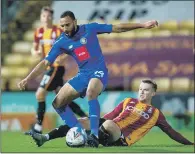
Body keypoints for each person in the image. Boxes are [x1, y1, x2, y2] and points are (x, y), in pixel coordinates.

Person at [18, 10, 158, 147]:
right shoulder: (62, 41)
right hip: (83, 75)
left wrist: (142, 25)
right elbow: (45, 63)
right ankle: (79, 131)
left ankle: (94, 135)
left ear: (75, 22)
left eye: (67, 25)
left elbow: (117, 28)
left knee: (91, 91)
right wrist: (27, 78)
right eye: (62, 26)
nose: (65, 29)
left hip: (99, 72)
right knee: (57, 103)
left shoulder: (90, 29)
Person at [30, 79, 194, 147]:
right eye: (140, 89)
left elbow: (171, 132)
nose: (142, 92)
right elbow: (109, 116)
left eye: (146, 90)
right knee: (81, 121)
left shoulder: (156, 113)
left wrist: (189, 144)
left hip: (122, 138)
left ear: (153, 94)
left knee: (107, 124)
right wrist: (90, 121)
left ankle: (86, 140)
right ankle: (45, 138)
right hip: (109, 127)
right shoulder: (128, 101)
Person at [27, 7, 87, 134]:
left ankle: (38, 127)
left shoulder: (59, 31)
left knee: (40, 94)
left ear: (52, 18)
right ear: (41, 17)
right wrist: (35, 52)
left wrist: (63, 57)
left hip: (56, 68)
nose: (46, 18)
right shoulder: (38, 32)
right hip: (48, 67)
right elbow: (34, 48)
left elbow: (70, 46)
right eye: (44, 16)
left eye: (48, 16)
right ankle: (85, 117)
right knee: (62, 97)